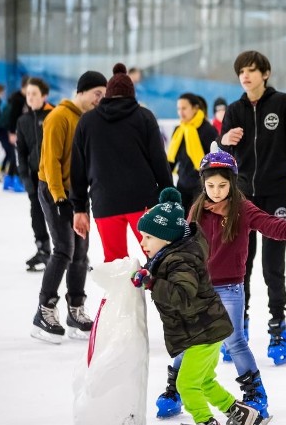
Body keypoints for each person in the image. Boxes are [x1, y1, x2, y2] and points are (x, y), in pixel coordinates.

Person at [155, 144, 286, 425]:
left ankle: (254, 394)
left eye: (222, 185)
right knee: (189, 342)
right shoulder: (197, 209)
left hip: (229, 289)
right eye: (210, 185)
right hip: (199, 288)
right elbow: (181, 242)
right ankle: (174, 389)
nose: (215, 190)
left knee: (235, 341)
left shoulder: (243, 209)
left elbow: (270, 224)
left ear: (232, 183)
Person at [131, 186, 259, 425]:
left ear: (166, 237)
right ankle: (241, 413)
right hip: (206, 329)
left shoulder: (181, 260)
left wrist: (151, 283)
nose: (143, 242)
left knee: (186, 385)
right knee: (205, 381)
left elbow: (182, 295)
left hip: (203, 331)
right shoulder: (170, 255)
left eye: (149, 236)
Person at [219, 50, 286, 365]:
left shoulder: (283, 103)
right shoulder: (234, 110)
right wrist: (225, 142)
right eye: (241, 72)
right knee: (240, 267)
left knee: (272, 267)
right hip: (242, 198)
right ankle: (236, 329)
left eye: (251, 70)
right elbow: (222, 159)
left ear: (265, 73)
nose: (245, 76)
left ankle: (277, 327)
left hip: (275, 196)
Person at [31, 71, 107, 344]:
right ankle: (44, 310)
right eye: (97, 94)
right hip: (55, 192)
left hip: (77, 194)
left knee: (81, 252)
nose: (100, 99)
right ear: (82, 91)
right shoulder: (58, 117)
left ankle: (76, 310)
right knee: (64, 249)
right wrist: (60, 199)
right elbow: (50, 163)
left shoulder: (87, 119)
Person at [70, 63, 173, 262]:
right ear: (131, 94)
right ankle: (160, 293)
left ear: (108, 94)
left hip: (105, 202)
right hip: (144, 202)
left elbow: (78, 170)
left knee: (115, 263)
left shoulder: (87, 122)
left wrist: (79, 209)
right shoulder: (144, 117)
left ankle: (120, 294)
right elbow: (160, 162)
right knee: (158, 259)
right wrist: (169, 197)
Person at [16, 77, 54, 271]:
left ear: (44, 95)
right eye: (28, 94)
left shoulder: (54, 114)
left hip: (54, 175)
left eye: (34, 94)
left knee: (61, 213)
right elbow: (20, 150)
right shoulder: (23, 120)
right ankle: (43, 249)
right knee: (36, 213)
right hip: (34, 176)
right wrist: (24, 176)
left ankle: (74, 252)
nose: (30, 97)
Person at [168, 92, 218, 213]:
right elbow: (172, 160)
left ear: (195, 108)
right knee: (182, 226)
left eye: (184, 108)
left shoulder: (208, 130)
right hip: (182, 186)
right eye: (179, 108)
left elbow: (215, 160)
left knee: (198, 226)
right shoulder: (179, 130)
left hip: (202, 187)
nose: (181, 112)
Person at [0, 76, 29, 191]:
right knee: (18, 156)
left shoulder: (21, 97)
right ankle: (16, 180)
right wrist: (12, 133)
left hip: (16, 130)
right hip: (12, 131)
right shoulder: (18, 99)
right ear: (25, 86)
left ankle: (9, 180)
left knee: (14, 155)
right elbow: (13, 117)